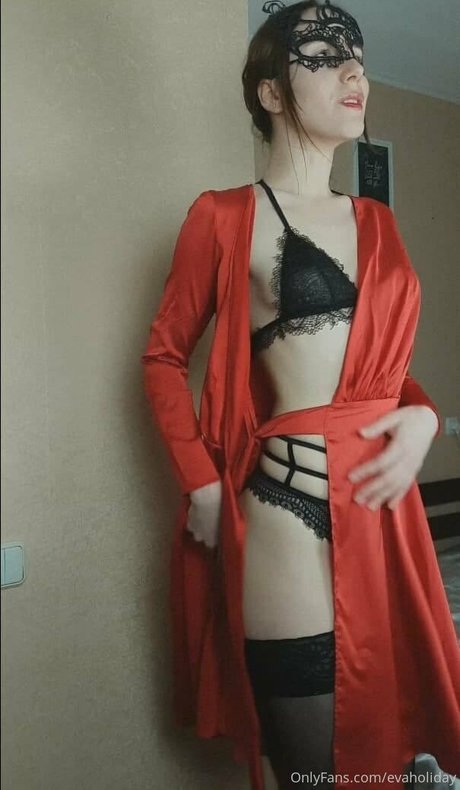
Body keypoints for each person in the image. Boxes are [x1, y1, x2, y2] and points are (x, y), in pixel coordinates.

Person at [141, 2, 460, 788]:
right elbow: (162, 357)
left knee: (389, 753)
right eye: (323, 53)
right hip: (291, 507)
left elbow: (383, 373)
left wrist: (422, 417)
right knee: (314, 772)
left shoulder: (379, 221)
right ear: (271, 92)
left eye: (359, 55)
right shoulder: (223, 218)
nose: (355, 71)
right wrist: (201, 483)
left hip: (385, 516)